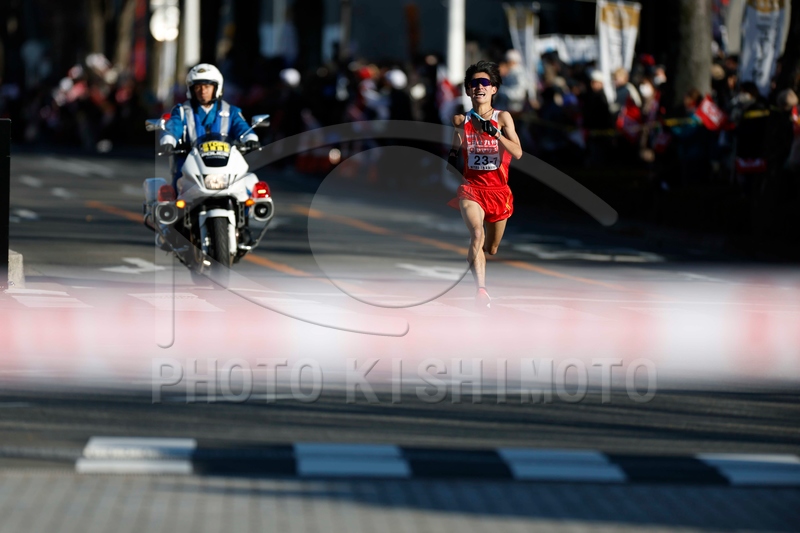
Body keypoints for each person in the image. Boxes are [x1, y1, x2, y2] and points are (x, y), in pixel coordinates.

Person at [447, 61, 523, 308]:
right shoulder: (461, 119)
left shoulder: (503, 118)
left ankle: (478, 258)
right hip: (472, 190)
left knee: (491, 248)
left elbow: (518, 153)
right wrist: (453, 155)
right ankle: (481, 291)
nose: (479, 87)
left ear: (493, 89)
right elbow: (454, 152)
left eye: (484, 83)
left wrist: (495, 134)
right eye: (474, 83)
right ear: (469, 90)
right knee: (476, 234)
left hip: (499, 192)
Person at [160, 63, 260, 190]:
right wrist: (168, 141)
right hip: (190, 163)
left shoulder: (230, 111)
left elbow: (242, 127)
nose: (203, 91)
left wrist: (250, 139)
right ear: (191, 89)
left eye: (207, 86)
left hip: (225, 163)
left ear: (216, 88)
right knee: (177, 190)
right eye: (198, 87)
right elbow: (174, 126)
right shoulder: (182, 111)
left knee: (247, 189)